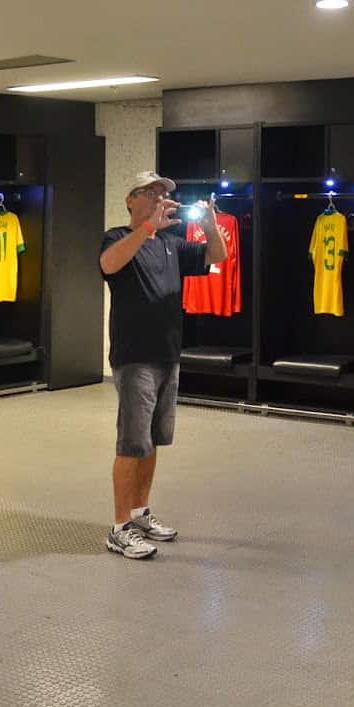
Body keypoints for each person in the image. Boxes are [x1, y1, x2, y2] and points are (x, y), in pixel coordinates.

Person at [100, 171, 228, 558]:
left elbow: (216, 256)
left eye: (162, 194)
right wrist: (146, 230)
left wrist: (210, 225)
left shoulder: (173, 244)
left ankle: (140, 513)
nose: (159, 199)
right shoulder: (118, 237)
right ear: (130, 199)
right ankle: (119, 528)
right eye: (150, 192)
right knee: (131, 442)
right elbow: (108, 266)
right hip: (134, 356)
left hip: (168, 354)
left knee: (152, 440)